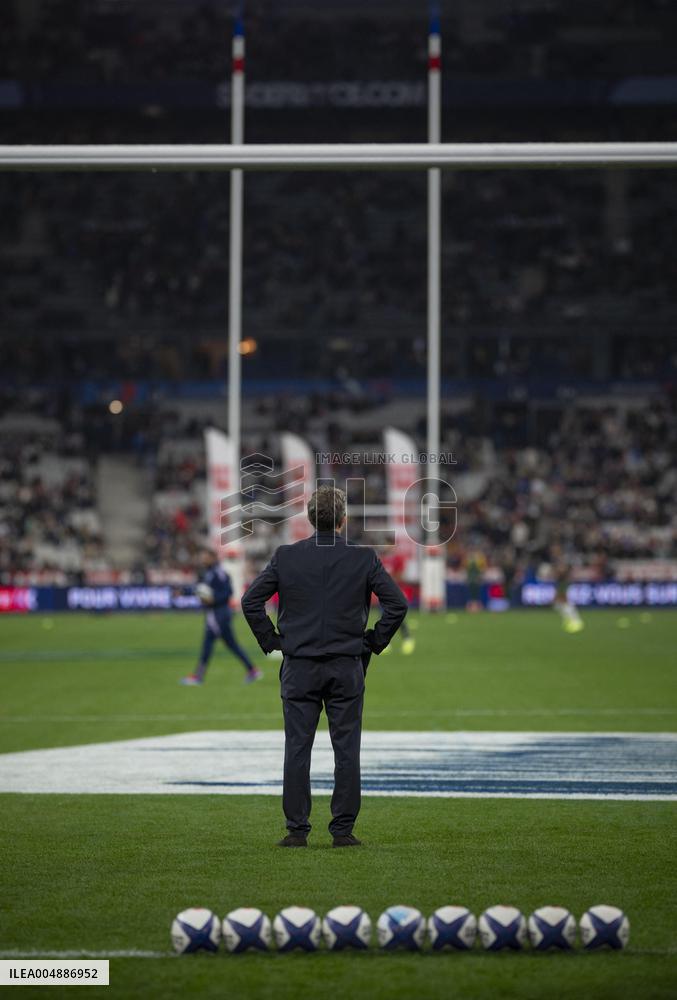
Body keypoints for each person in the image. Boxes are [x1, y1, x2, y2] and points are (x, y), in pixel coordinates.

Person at [241, 485, 408, 848]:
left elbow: (251, 601)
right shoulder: (362, 558)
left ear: (310, 519)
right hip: (346, 666)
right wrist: (372, 643)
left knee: (297, 748)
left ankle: (296, 830)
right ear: (343, 519)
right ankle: (342, 830)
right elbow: (397, 604)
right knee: (346, 749)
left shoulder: (287, 557)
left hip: (299, 666)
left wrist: (273, 643)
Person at [181, 548, 263, 685]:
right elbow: (201, 590)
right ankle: (252, 670)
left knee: (209, 645)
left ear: (213, 558)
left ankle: (198, 676)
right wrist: (184, 592)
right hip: (217, 614)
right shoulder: (210, 573)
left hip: (218, 614)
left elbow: (227, 592)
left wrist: (214, 599)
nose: (203, 559)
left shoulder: (218, 573)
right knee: (230, 644)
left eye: (205, 557)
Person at [378, 546, 416, 655]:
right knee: (383, 616)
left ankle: (407, 639)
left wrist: (388, 580)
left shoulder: (397, 559)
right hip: (383, 592)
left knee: (396, 616)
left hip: (394, 591)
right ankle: (386, 643)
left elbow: (400, 575)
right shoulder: (381, 559)